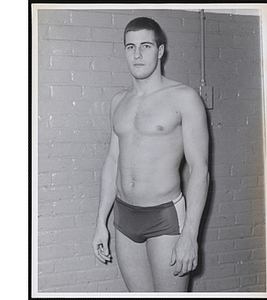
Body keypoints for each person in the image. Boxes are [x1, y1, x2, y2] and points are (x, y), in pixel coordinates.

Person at [92, 17, 209, 292]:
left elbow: (200, 169)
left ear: (159, 50)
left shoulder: (184, 98)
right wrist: (101, 222)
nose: (137, 54)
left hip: (165, 218)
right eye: (130, 47)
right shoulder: (118, 102)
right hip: (123, 217)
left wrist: (190, 234)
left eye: (145, 46)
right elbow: (111, 162)